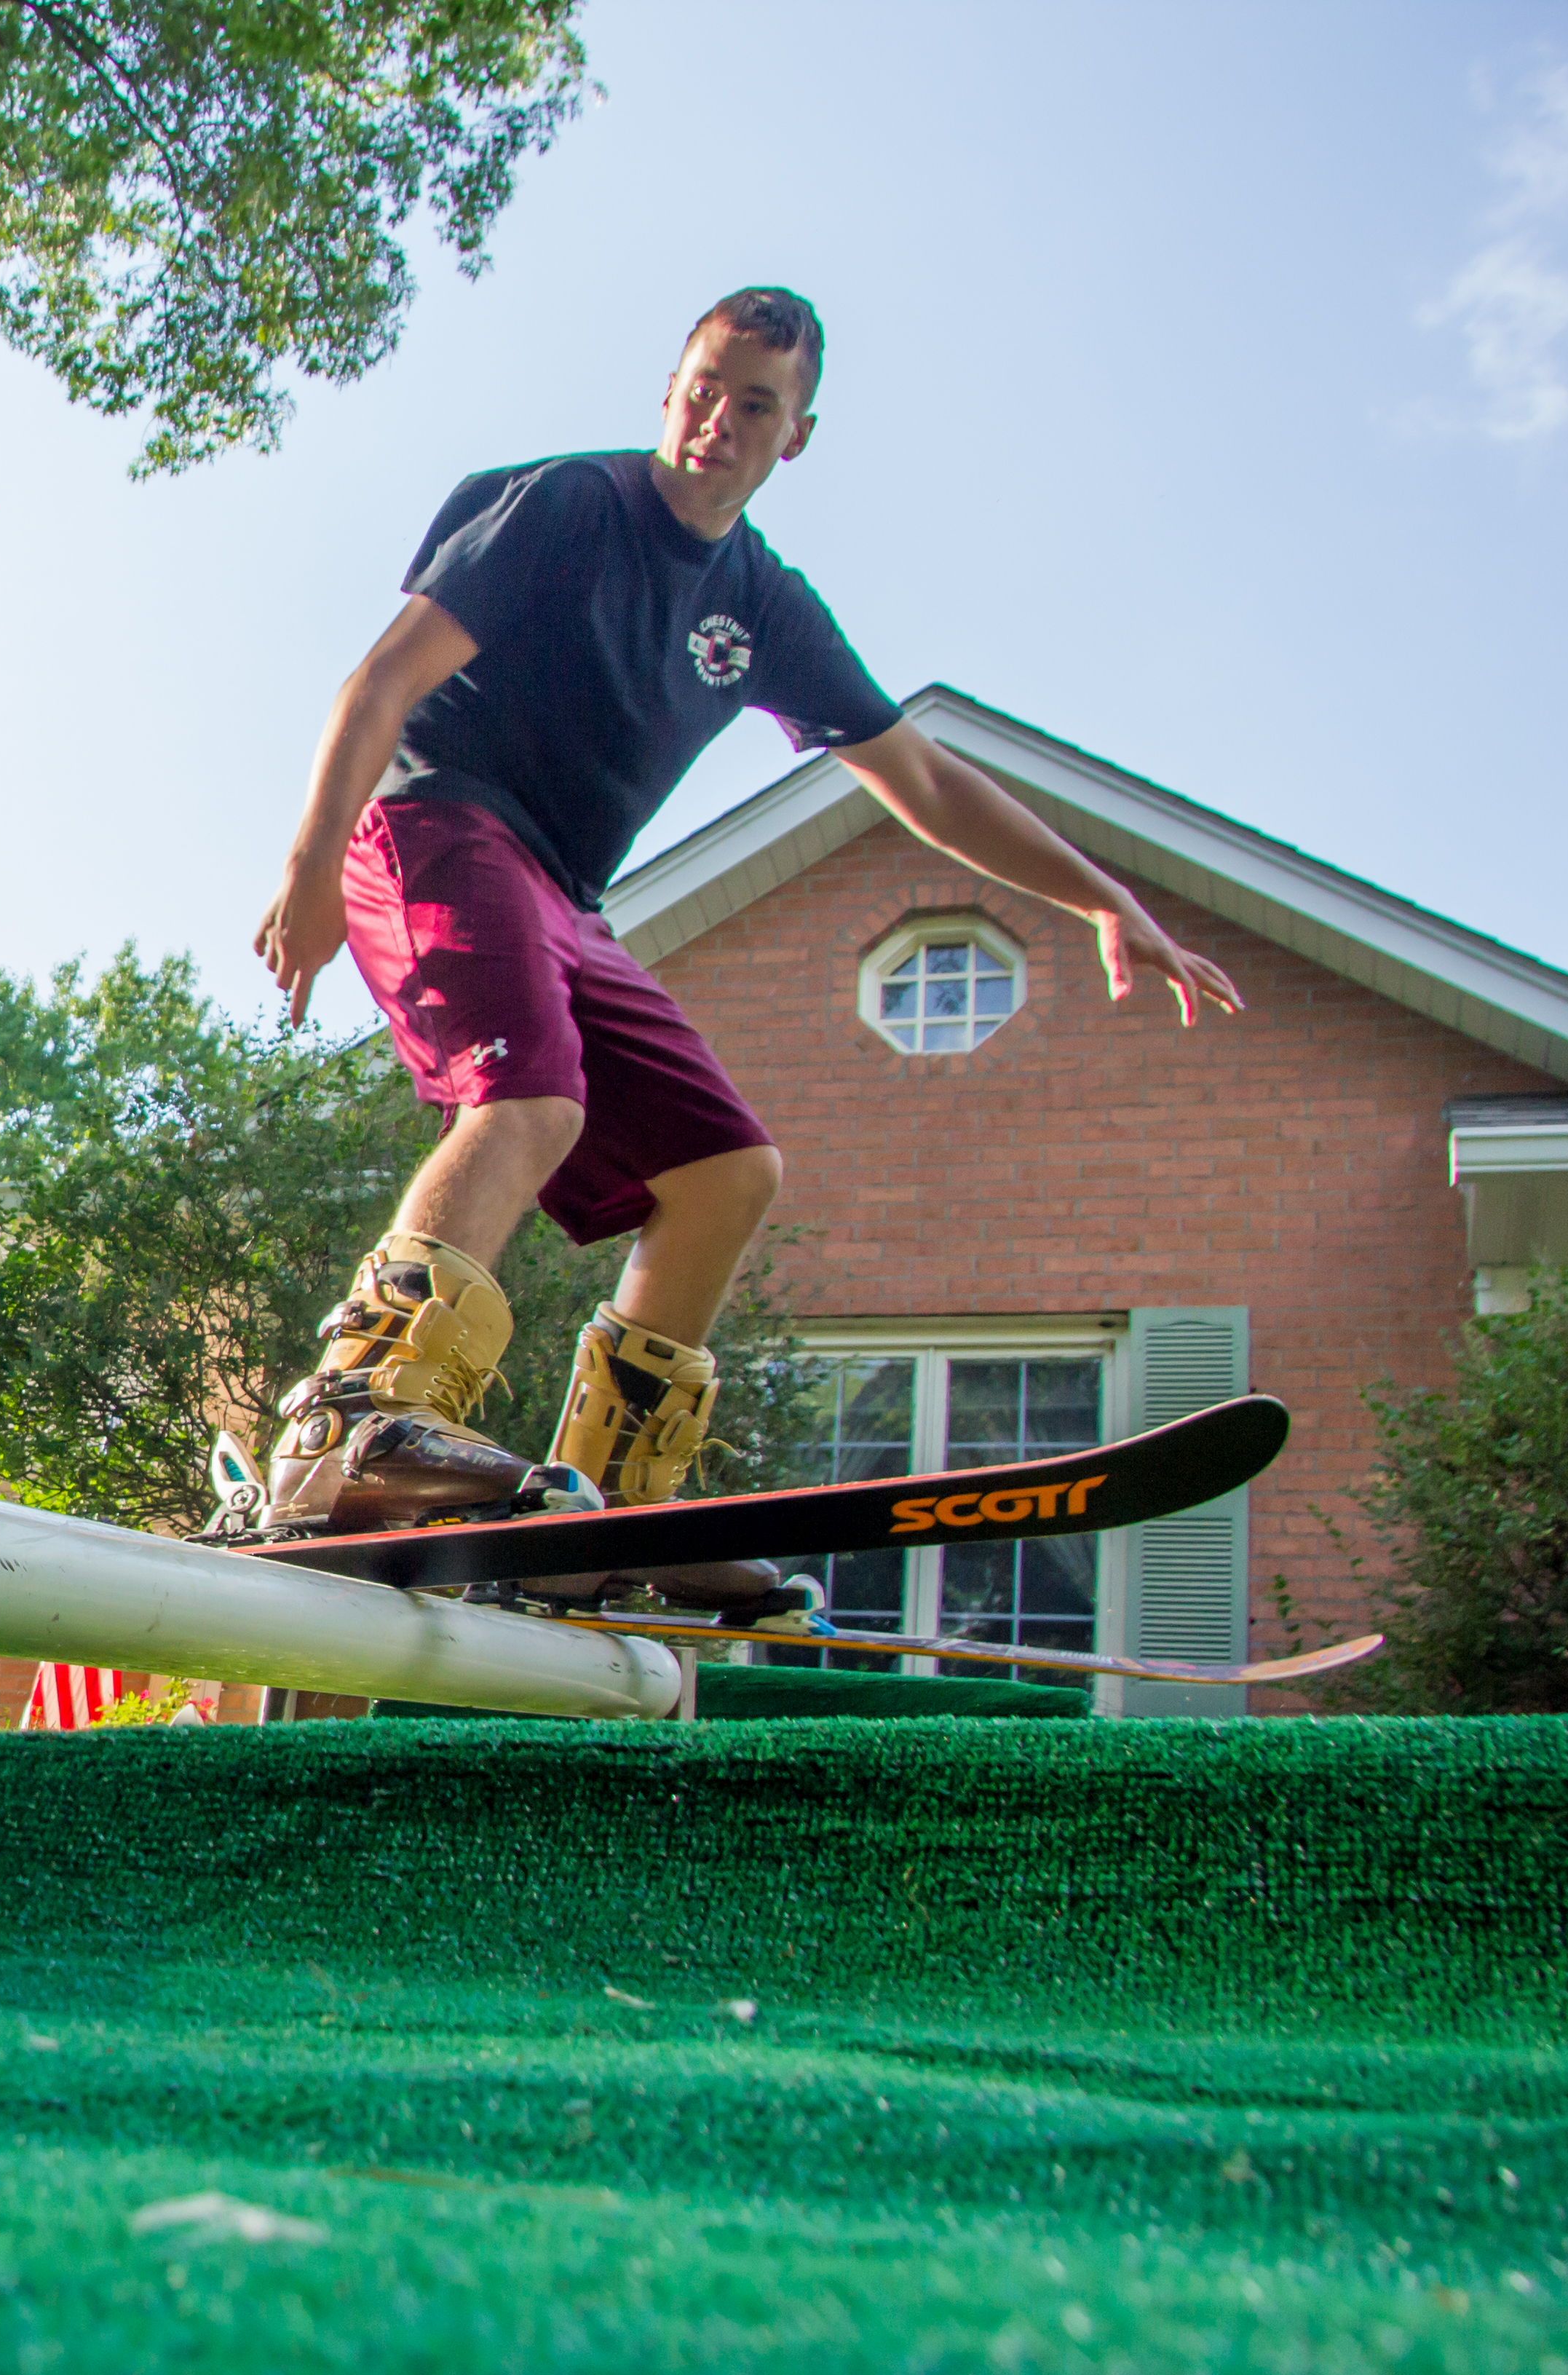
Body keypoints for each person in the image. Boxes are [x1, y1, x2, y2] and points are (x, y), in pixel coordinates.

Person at [249, 286, 1240, 1534]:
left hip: (567, 892)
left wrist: (1101, 899)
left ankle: (612, 1506)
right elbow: (381, 678)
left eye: (754, 404)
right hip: (437, 823)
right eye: (703, 389)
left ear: (797, 436)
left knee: (726, 1171)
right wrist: (309, 864)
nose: (719, 419)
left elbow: (922, 778)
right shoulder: (568, 508)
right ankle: (355, 1415)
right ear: (670, 389)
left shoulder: (764, 603)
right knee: (534, 1101)